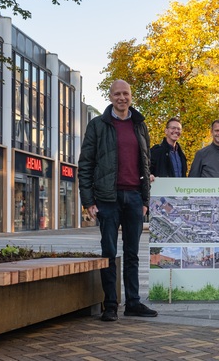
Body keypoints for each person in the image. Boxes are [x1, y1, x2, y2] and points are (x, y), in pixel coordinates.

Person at [78, 79, 158, 322]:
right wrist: (88, 200)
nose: (122, 98)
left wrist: (145, 198)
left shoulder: (139, 125)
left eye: (126, 94)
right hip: (107, 198)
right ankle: (110, 304)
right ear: (110, 97)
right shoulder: (98, 125)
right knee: (109, 251)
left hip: (134, 196)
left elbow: (145, 163)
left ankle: (133, 302)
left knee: (133, 253)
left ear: (131, 96)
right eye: (117, 94)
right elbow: (85, 164)